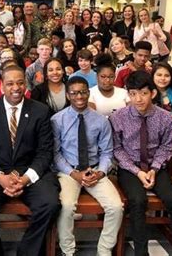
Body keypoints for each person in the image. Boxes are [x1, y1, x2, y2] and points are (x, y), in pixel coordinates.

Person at [0, 65, 60, 256]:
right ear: (1, 86)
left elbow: (45, 152)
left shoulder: (40, 111)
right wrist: (1, 177)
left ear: (26, 84)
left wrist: (26, 178)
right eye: (10, 83)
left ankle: (27, 252)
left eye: (20, 82)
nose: (16, 88)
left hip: (29, 172)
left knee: (50, 204)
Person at [110, 71, 172, 256]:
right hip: (129, 169)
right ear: (128, 94)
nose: (138, 99)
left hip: (156, 167)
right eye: (133, 94)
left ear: (153, 93)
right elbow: (117, 150)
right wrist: (138, 172)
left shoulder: (165, 117)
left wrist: (154, 169)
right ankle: (141, 252)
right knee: (138, 201)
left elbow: (166, 147)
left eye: (143, 93)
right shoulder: (118, 117)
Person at [52, 76, 123, 256]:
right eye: (74, 93)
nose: (79, 97)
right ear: (68, 95)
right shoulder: (57, 120)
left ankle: (104, 249)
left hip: (94, 170)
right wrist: (73, 173)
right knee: (66, 206)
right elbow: (55, 154)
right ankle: (68, 250)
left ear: (88, 93)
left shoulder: (101, 120)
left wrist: (100, 172)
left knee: (116, 206)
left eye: (83, 92)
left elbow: (107, 152)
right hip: (69, 171)